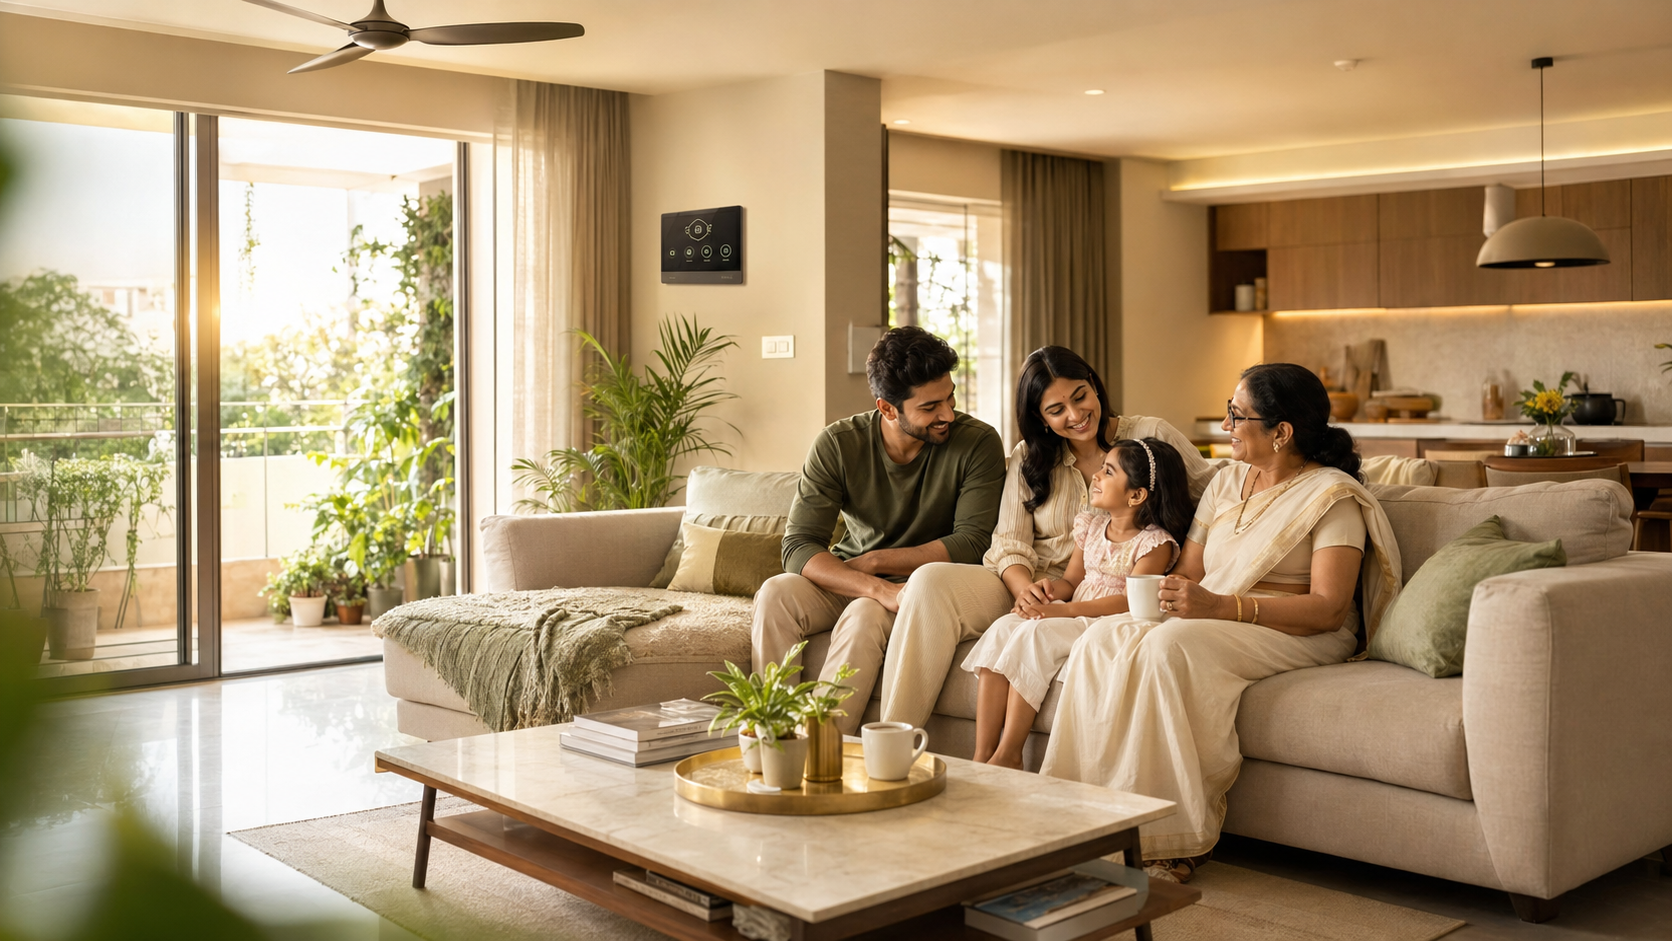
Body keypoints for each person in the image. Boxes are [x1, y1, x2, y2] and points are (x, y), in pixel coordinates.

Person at [1039, 363, 1402, 885]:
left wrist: (1219, 607)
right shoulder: (1227, 482)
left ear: (1281, 432)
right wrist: (1154, 601)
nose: (1226, 424)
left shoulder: (1331, 495)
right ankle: (1084, 820)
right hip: (1215, 613)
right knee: (1103, 639)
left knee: (1170, 648)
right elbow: (1189, 571)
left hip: (1299, 630)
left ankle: (1169, 841)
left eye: (1238, 414)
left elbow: (1327, 607)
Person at [752, 326, 1007, 734]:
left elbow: (972, 542)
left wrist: (874, 563)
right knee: (776, 593)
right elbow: (798, 546)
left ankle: (822, 752)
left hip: (921, 585)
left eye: (950, 396)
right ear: (888, 409)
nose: (947, 413)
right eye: (930, 407)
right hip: (863, 580)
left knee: (866, 614)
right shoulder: (838, 444)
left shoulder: (977, 443)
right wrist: (873, 584)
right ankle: (771, 736)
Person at [963, 437, 1195, 769]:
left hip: (1104, 622)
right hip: (1073, 611)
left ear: (1137, 495)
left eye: (1108, 471)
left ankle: (1009, 754)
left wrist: (1064, 610)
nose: (1096, 476)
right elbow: (1071, 581)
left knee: (1035, 635)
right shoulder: (1092, 526)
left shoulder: (1154, 543)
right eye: (1101, 469)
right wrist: (1045, 593)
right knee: (1004, 627)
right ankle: (982, 754)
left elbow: (1131, 600)